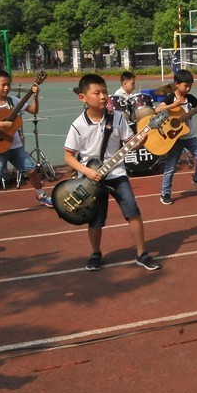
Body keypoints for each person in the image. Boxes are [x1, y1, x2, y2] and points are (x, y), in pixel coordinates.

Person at [64, 74, 161, 271]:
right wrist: (86, 172)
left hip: (116, 173)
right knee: (96, 219)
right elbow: (69, 156)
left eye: (105, 92)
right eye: (97, 93)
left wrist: (139, 141)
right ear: (83, 97)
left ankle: (142, 253)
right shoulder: (78, 125)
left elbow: (128, 145)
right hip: (91, 178)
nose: (102, 97)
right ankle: (95, 252)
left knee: (133, 211)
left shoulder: (117, 118)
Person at [0, 70, 54, 222]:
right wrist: (1, 123)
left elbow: (34, 110)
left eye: (8, 84)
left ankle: (41, 194)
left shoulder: (14, 101)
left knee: (31, 170)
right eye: (3, 85)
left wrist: (35, 95)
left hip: (15, 145)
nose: (6, 88)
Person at [155, 69, 197, 205]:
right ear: (176, 84)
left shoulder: (190, 98)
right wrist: (174, 105)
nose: (188, 88)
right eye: (185, 85)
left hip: (190, 136)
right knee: (170, 166)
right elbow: (157, 110)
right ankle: (165, 192)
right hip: (175, 138)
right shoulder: (171, 98)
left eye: (190, 85)